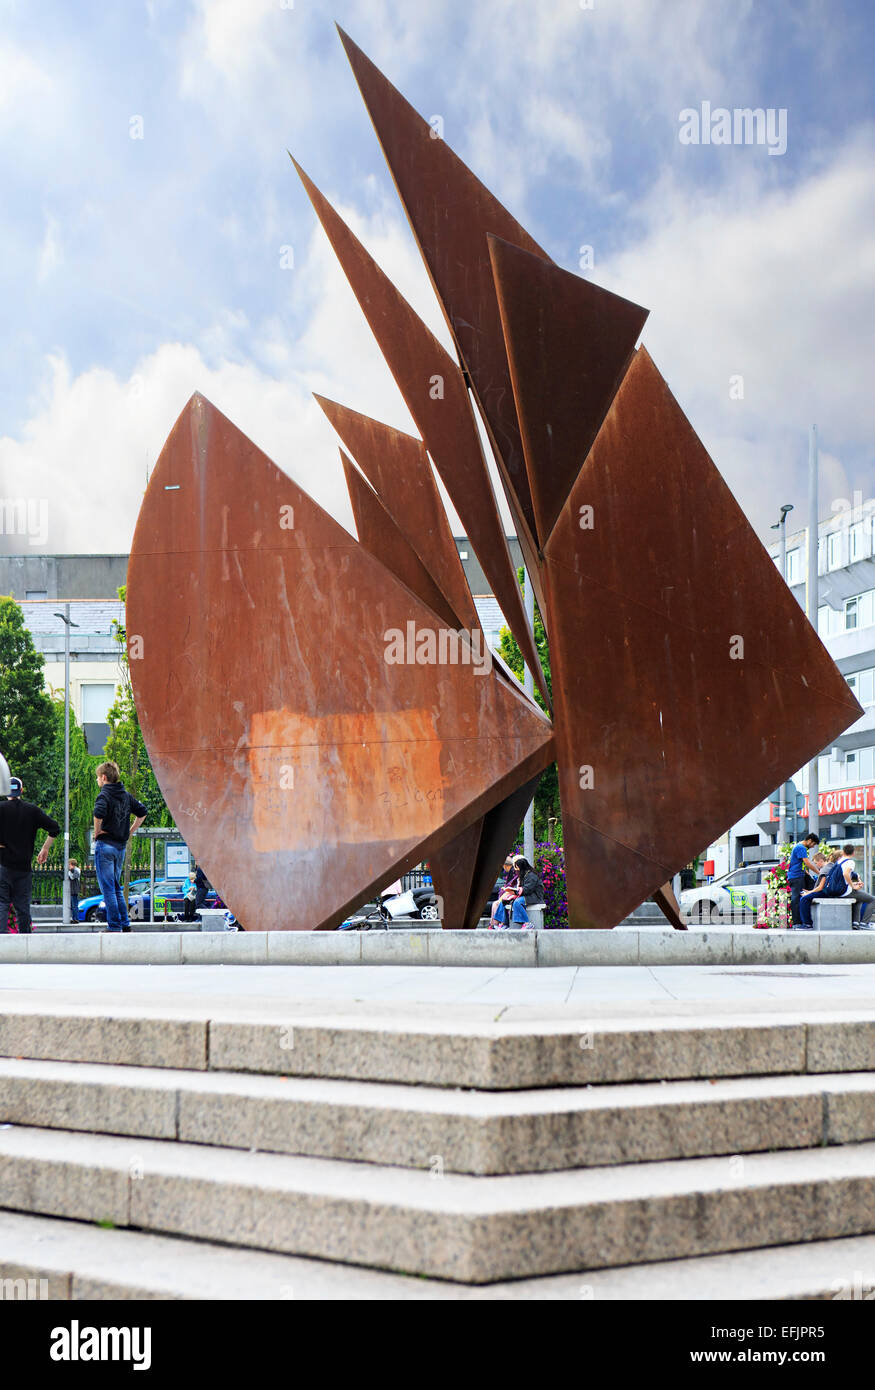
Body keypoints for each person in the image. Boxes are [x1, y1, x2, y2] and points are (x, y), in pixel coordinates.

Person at [0, 776, 60, 935]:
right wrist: (45, 848)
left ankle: (2, 938)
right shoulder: (32, 810)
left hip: (3, 865)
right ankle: (26, 938)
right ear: (21, 790)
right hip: (24, 867)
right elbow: (54, 828)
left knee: (2, 902)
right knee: (22, 906)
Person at [92, 762, 147, 933]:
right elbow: (142, 812)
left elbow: (98, 814)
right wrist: (129, 831)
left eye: (97, 777)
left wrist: (97, 832)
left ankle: (114, 926)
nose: (97, 780)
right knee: (116, 887)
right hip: (120, 847)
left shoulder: (104, 795)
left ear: (104, 777)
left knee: (108, 888)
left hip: (106, 845)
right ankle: (125, 923)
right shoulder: (126, 796)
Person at [798, 843, 875, 929]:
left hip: (837, 890)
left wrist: (855, 882)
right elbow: (846, 874)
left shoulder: (839, 862)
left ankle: (855, 923)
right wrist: (853, 886)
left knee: (859, 898)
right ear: (853, 853)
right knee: (872, 900)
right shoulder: (850, 861)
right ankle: (864, 923)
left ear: (844, 852)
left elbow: (844, 877)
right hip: (844, 892)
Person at [490, 855, 544, 929]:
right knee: (504, 901)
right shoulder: (523, 874)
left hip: (535, 896)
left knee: (517, 902)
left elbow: (527, 890)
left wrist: (515, 893)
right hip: (526, 895)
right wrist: (512, 893)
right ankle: (505, 924)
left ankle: (527, 923)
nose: (516, 870)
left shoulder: (532, 875)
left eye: (517, 868)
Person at [787, 833, 819, 926]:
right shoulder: (801, 848)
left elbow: (799, 863)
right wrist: (819, 872)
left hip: (799, 875)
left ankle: (804, 920)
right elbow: (807, 863)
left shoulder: (798, 846)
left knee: (807, 892)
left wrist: (807, 873)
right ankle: (797, 922)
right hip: (796, 876)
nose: (813, 847)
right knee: (797, 898)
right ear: (809, 841)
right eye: (813, 844)